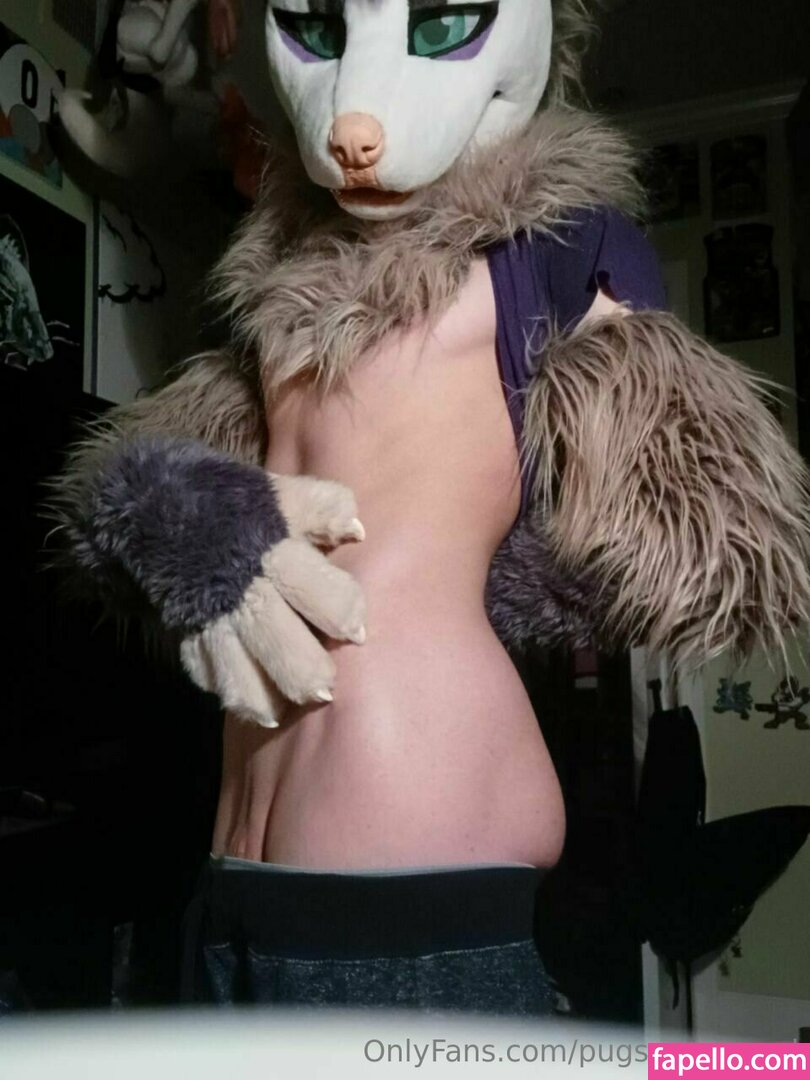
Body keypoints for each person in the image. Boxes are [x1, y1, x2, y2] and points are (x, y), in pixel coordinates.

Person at [53, 0, 810, 1013]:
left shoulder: (552, 245)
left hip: (411, 829)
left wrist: (485, 576)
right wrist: (181, 516)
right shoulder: (281, 281)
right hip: (232, 865)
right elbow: (133, 494)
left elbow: (719, 536)